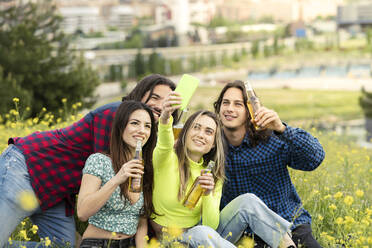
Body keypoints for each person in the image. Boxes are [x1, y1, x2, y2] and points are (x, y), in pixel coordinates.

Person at [0, 74, 176, 247]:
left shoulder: (144, 134)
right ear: (140, 93)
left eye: (167, 102)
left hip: (56, 191)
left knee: (61, 245)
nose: (161, 106)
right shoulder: (114, 115)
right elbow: (109, 174)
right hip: (27, 167)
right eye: (155, 97)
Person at [150, 91, 296, 248]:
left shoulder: (211, 174)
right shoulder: (166, 159)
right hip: (171, 241)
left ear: (213, 143)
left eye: (208, 132)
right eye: (196, 128)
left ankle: (288, 245)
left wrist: (207, 194)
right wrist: (165, 117)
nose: (201, 134)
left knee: (248, 201)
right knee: (201, 233)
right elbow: (164, 140)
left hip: (205, 235)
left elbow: (211, 226)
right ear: (185, 133)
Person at [213, 80, 326, 248]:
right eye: (225, 103)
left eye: (238, 104)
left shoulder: (272, 140)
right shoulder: (212, 147)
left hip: (290, 225)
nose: (229, 108)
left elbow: (314, 158)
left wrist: (282, 129)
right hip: (247, 235)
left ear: (250, 110)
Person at [77, 101, 156, 248]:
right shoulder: (99, 161)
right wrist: (117, 179)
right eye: (134, 123)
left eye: (147, 126)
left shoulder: (145, 168)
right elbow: (82, 212)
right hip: (97, 243)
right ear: (121, 127)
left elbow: (141, 224)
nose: (141, 130)